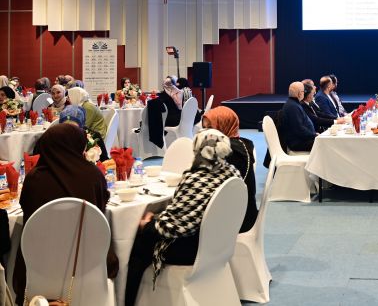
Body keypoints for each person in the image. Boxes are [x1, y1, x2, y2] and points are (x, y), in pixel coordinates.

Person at [125, 130, 240, 306]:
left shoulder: (195, 178)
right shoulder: (233, 173)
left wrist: (147, 225)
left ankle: (125, 301)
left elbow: (173, 227)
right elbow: (185, 215)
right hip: (219, 246)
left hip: (193, 251)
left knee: (139, 244)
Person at [14, 123, 118, 299]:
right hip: (88, 264)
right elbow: (99, 214)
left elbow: (28, 217)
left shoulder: (33, 180)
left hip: (40, 267)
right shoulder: (93, 176)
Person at [201, 106, 257, 232]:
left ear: (223, 126)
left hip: (235, 219)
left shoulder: (229, 153)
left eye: (210, 128)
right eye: (204, 128)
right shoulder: (241, 144)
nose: (205, 133)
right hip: (241, 212)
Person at [279, 82, 317, 152]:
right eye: (303, 91)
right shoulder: (293, 107)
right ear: (299, 94)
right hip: (298, 143)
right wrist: (314, 135)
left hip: (301, 140)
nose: (304, 93)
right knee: (325, 143)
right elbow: (299, 129)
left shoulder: (294, 104)